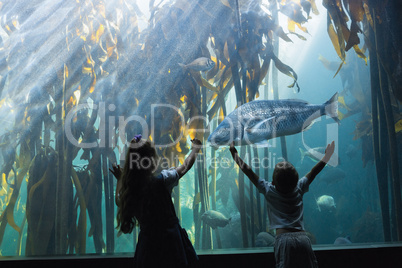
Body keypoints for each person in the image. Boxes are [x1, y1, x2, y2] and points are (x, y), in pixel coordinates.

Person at [229, 141, 335, 268]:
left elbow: (248, 171)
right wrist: (326, 157)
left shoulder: (268, 189)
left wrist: (235, 155)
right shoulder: (299, 187)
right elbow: (313, 172)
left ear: (273, 182)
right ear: (296, 180)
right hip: (303, 238)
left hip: (284, 240)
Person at [110, 135, 202, 268]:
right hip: (171, 242)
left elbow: (119, 199)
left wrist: (120, 179)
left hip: (148, 246)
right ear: (152, 160)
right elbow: (185, 167)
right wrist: (195, 149)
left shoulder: (132, 190)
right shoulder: (164, 180)